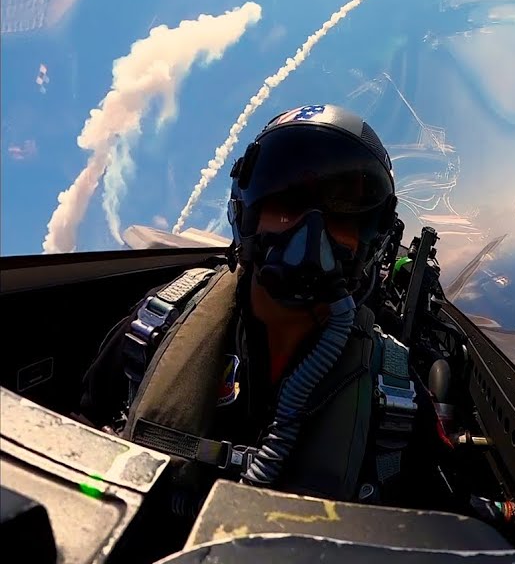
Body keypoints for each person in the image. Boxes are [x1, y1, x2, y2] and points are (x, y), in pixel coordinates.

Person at [80, 103, 433, 509]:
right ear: (247, 213)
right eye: (288, 204)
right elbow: (84, 434)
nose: (310, 232)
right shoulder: (156, 330)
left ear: (370, 239)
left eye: (342, 216)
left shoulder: (394, 398)